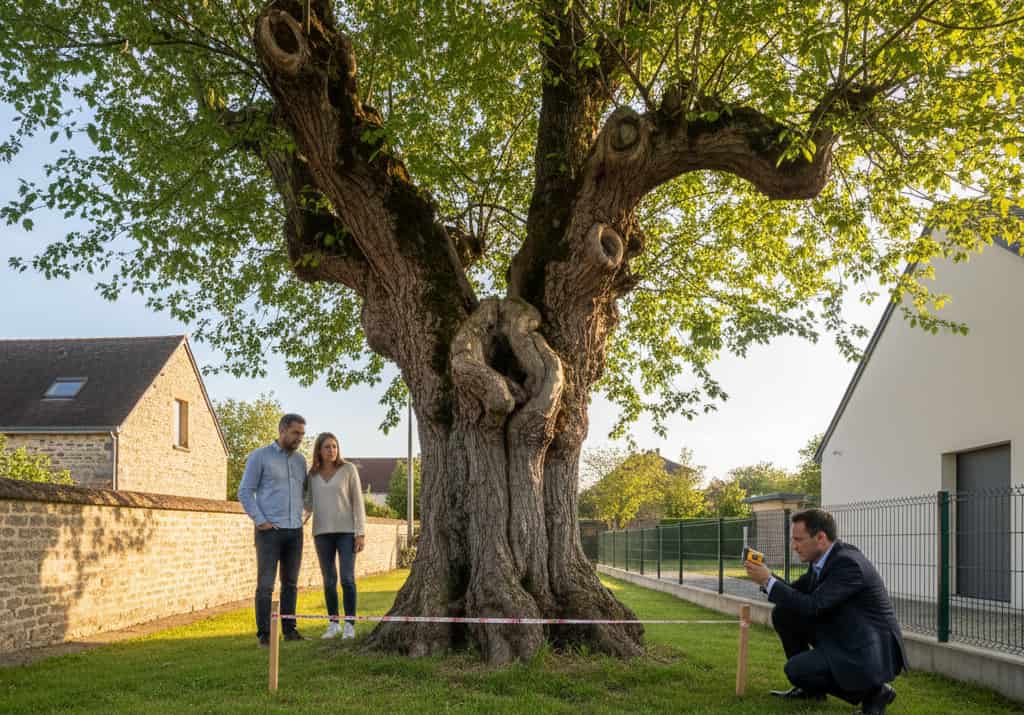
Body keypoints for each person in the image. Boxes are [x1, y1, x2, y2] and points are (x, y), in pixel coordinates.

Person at [744, 509, 907, 715]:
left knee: (796, 670)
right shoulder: (822, 560)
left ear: (820, 538)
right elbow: (795, 593)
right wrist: (766, 577)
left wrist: (768, 580)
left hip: (867, 650)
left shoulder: (848, 563)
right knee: (784, 613)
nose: (794, 546)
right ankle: (811, 691)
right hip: (844, 635)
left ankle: (875, 692)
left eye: (798, 540)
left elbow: (813, 606)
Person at [238, 413, 308, 647]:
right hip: (269, 532)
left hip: (295, 531)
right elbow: (245, 491)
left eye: (302, 434)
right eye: (295, 433)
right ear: (282, 430)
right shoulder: (260, 456)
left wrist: (306, 513)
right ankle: (265, 635)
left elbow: (305, 493)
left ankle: (290, 630)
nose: (299, 438)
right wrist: (260, 520)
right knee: (266, 585)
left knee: (291, 584)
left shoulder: (301, 461)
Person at [304, 432, 366, 640]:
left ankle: (349, 624)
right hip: (322, 533)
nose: (331, 450)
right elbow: (308, 505)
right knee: (329, 580)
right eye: (327, 447)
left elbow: (358, 502)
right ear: (319, 450)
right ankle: (333, 624)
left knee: (347, 578)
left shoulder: (348, 469)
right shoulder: (312, 475)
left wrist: (360, 533)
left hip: (347, 533)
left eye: (334, 446)